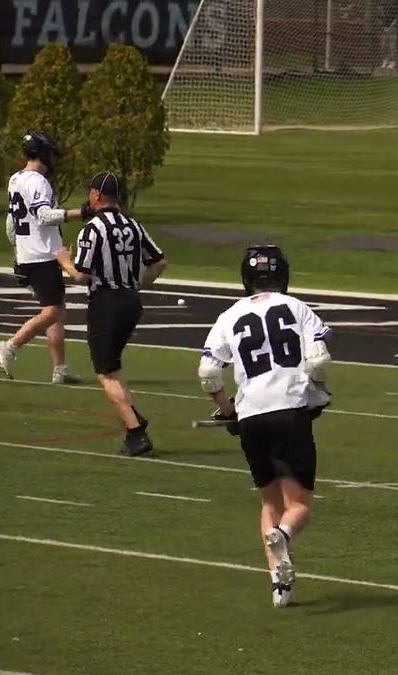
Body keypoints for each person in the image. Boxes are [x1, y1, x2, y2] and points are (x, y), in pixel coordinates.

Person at [196, 244, 333, 608]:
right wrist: (317, 395)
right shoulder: (297, 307)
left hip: (251, 413)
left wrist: (228, 411)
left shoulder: (229, 315)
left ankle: (280, 585)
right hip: (290, 409)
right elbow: (318, 362)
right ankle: (284, 536)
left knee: (268, 500)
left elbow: (209, 373)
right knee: (298, 503)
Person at [57, 172, 168, 457]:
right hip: (131, 302)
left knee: (105, 372)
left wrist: (65, 262)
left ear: (95, 195)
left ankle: (136, 433)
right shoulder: (133, 226)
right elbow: (160, 261)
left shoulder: (92, 229)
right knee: (113, 366)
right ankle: (133, 416)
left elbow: (82, 276)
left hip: (106, 303)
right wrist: (139, 282)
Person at [0, 131, 89, 384]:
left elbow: (10, 223)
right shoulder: (37, 181)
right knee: (53, 311)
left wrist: (18, 253)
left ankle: (60, 369)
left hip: (32, 254)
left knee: (58, 310)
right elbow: (44, 216)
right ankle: (11, 345)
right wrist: (82, 212)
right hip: (42, 255)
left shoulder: (16, 179)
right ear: (41, 153)